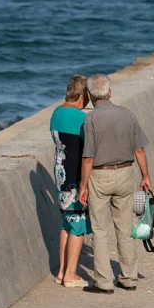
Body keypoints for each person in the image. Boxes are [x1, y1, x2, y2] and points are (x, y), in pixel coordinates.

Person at [78, 74, 153, 294]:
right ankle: (129, 277)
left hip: (100, 176)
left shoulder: (90, 120)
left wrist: (83, 186)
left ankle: (103, 282)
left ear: (90, 96)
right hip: (125, 173)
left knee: (100, 230)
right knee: (124, 227)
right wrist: (145, 176)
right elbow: (139, 149)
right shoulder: (127, 115)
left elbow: (88, 158)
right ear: (110, 93)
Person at [49, 75, 92, 288]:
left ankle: (61, 271)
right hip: (74, 179)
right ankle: (71, 274)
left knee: (66, 224)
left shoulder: (56, 113)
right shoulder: (80, 119)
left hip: (59, 176)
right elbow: (89, 149)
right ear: (83, 94)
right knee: (78, 225)